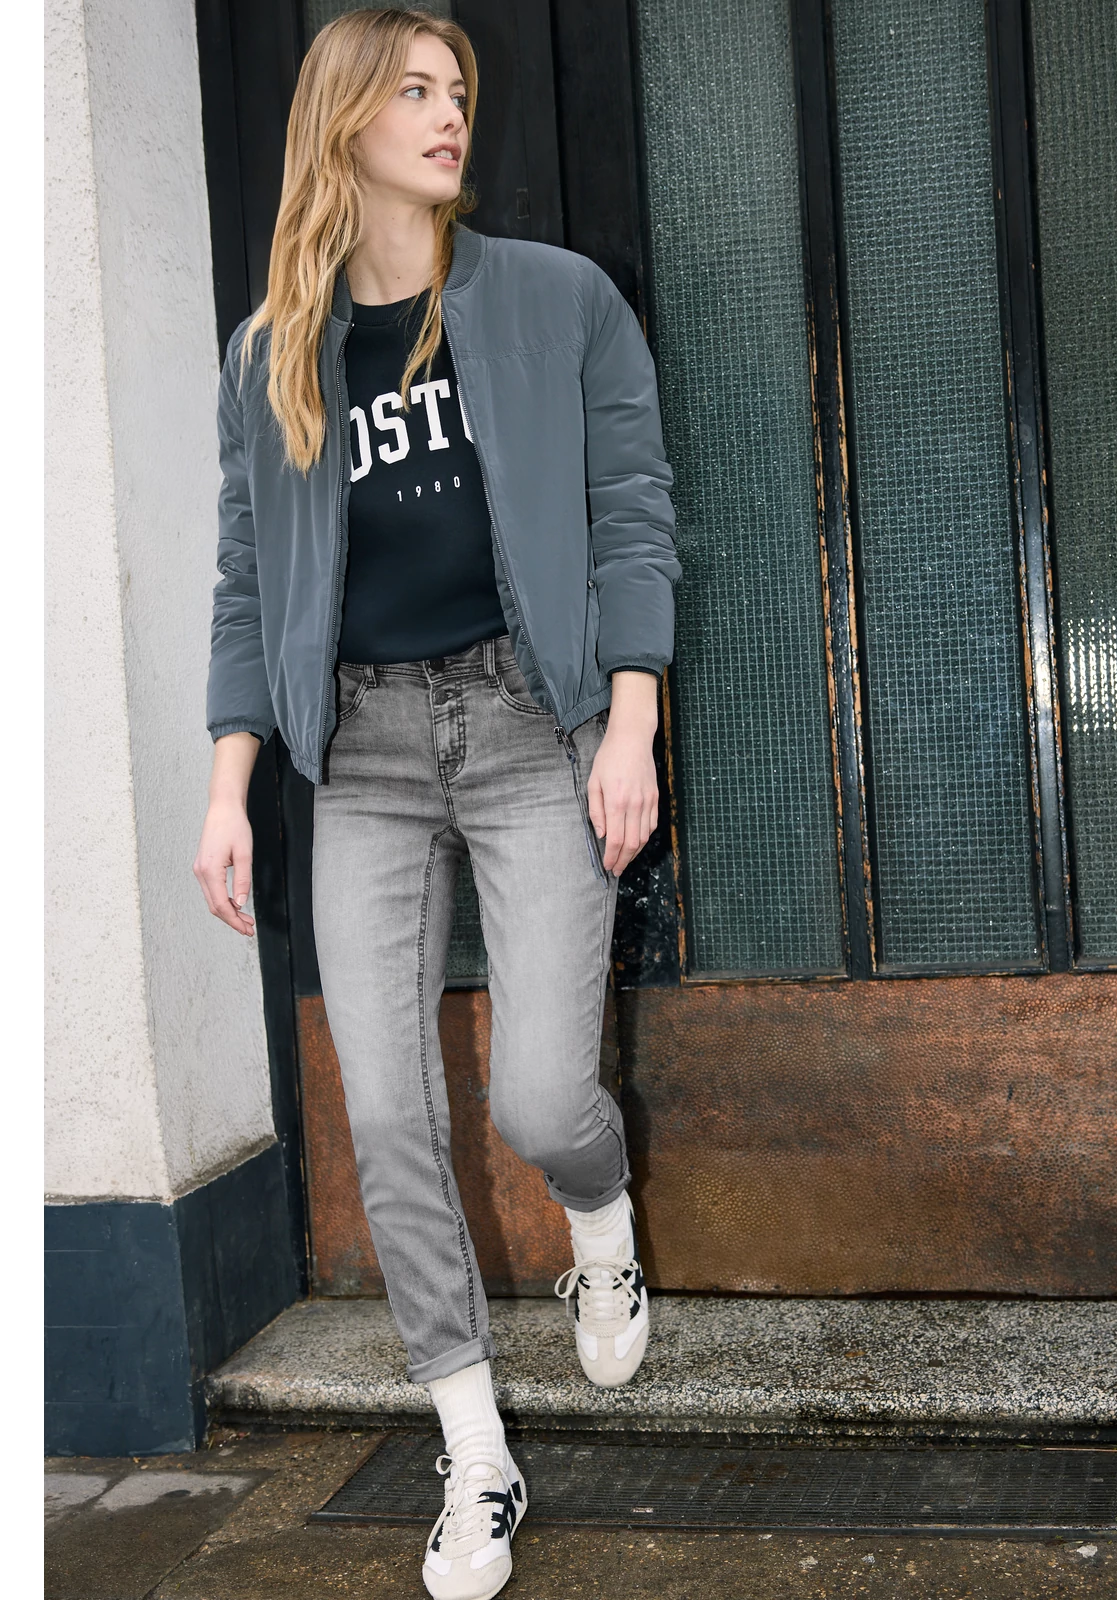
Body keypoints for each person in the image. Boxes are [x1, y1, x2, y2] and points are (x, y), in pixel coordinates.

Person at [192, 7, 679, 1597]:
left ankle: (600, 1219)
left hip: (533, 721)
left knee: (537, 1098)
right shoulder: (273, 354)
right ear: (343, 118)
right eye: (414, 89)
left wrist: (629, 721)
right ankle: (475, 1453)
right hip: (367, 754)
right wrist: (229, 787)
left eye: (456, 88)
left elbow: (631, 512)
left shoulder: (559, 301)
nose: (448, 111)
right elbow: (248, 581)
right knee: (391, 1113)